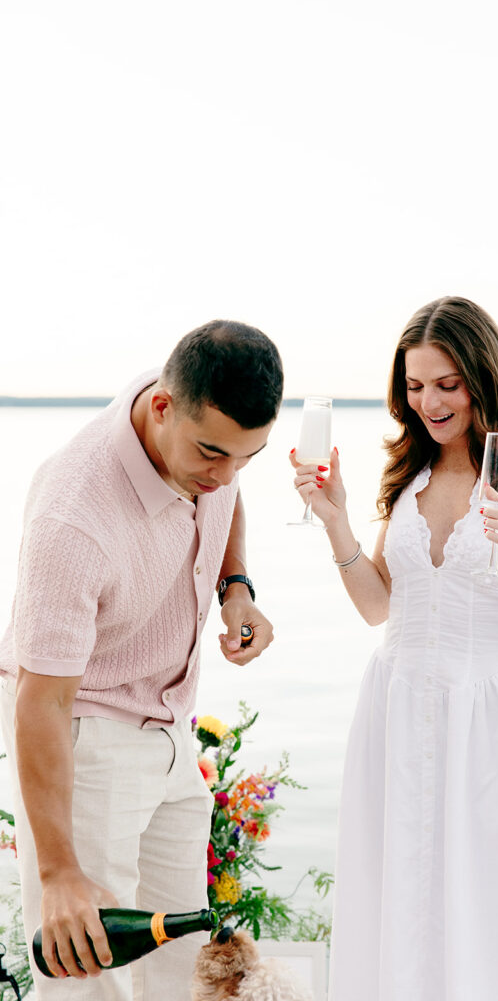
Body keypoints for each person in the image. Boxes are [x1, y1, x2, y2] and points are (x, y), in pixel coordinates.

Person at [290, 297, 498, 1000]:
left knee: (495, 902)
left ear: (482, 376)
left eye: (446, 383)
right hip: (396, 710)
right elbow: (379, 607)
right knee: (398, 894)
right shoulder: (410, 469)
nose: (428, 402)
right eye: (414, 385)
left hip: (490, 720)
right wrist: (334, 519)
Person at [0, 320, 283, 1000]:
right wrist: (60, 872)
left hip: (171, 739)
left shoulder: (200, 444)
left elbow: (226, 495)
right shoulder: (73, 519)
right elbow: (39, 701)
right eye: (212, 453)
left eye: (247, 457)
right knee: (88, 987)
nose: (225, 476)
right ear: (162, 407)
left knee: (174, 975)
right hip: (86, 750)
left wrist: (234, 587)